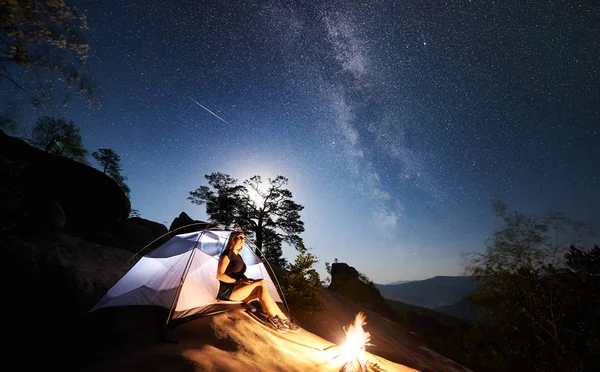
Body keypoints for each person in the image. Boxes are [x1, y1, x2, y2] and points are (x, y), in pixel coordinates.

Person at [216, 230, 300, 333]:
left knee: (261, 290)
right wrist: (238, 282)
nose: (243, 240)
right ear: (233, 239)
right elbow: (219, 275)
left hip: (237, 290)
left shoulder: (238, 256)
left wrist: (246, 280)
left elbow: (238, 274)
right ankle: (272, 318)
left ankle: (284, 319)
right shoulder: (228, 254)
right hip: (227, 291)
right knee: (261, 282)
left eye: (244, 238)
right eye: (240, 237)